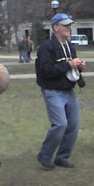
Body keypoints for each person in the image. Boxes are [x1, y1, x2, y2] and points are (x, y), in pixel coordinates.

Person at [35, 13, 85, 170]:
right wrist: (68, 64)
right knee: (60, 124)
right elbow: (45, 71)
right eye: (65, 25)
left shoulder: (70, 46)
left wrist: (78, 68)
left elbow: (70, 68)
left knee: (74, 125)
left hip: (69, 90)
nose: (69, 28)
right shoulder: (46, 48)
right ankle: (45, 155)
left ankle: (62, 157)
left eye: (69, 25)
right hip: (53, 90)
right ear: (55, 27)